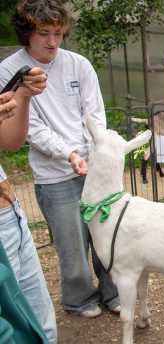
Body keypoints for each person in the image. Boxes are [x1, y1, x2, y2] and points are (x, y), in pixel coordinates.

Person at [0, 0, 120, 318]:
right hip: (54, 174)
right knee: (72, 246)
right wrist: (69, 155)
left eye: (59, 33)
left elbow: (94, 114)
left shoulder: (78, 64)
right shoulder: (9, 71)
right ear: (28, 32)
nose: (53, 41)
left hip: (91, 168)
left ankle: (114, 292)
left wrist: (94, 157)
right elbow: (29, 130)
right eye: (44, 33)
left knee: (106, 234)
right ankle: (80, 299)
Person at [0, 73, 56, 343]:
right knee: (12, 328)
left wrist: (22, 97)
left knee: (41, 324)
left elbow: (11, 143)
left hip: (12, 216)